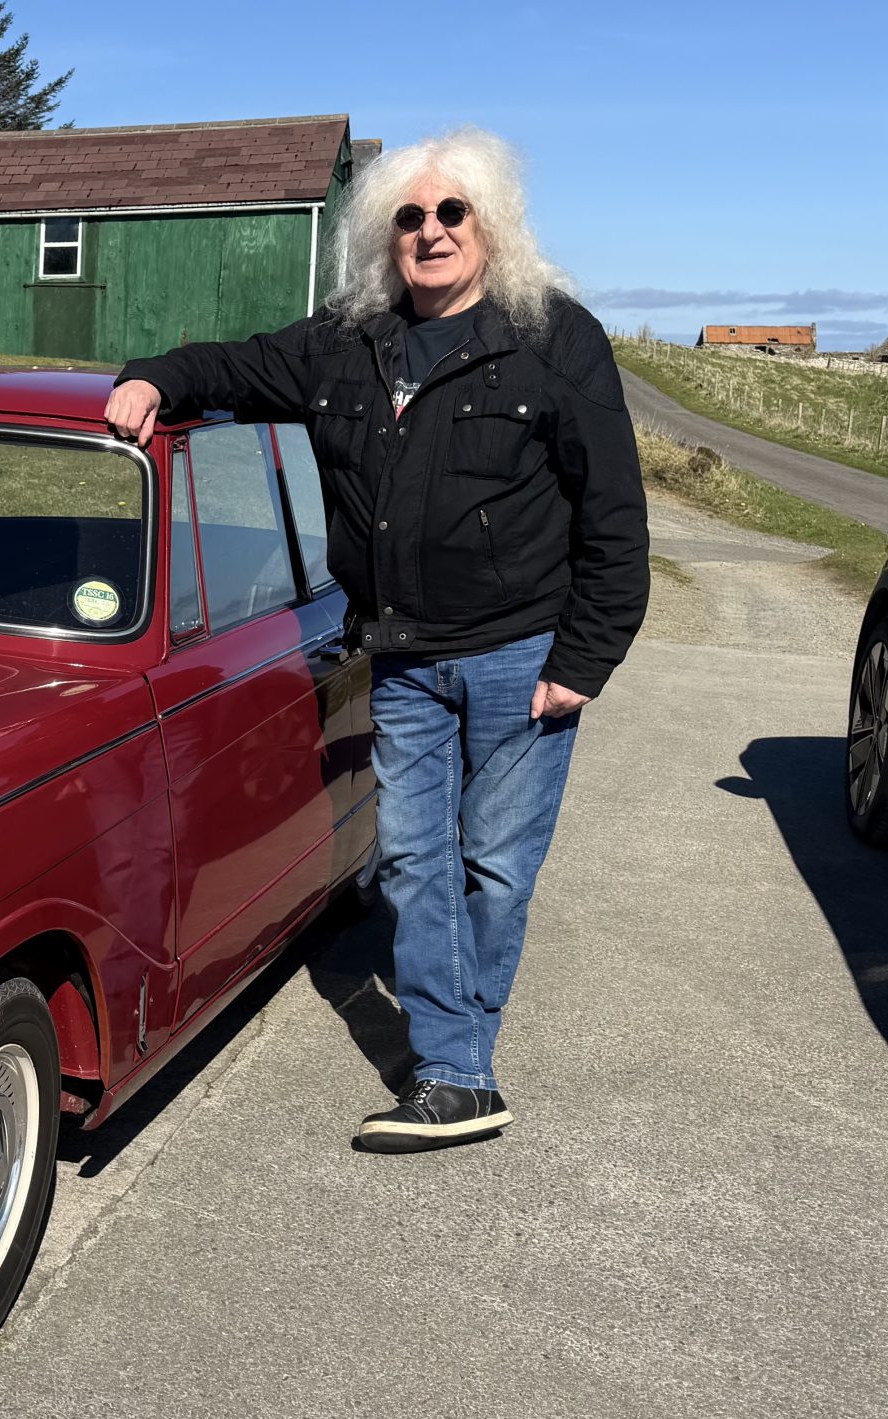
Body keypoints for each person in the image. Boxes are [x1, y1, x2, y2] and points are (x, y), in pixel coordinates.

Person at [105, 128, 648, 1153]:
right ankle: (458, 1070)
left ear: (489, 225)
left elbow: (613, 515)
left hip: (519, 656)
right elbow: (231, 365)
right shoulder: (346, 340)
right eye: (409, 216)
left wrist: (583, 661)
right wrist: (154, 379)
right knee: (410, 861)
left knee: (494, 866)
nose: (430, 232)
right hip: (400, 656)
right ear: (384, 235)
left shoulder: (552, 338)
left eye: (451, 212)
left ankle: (458, 1057)